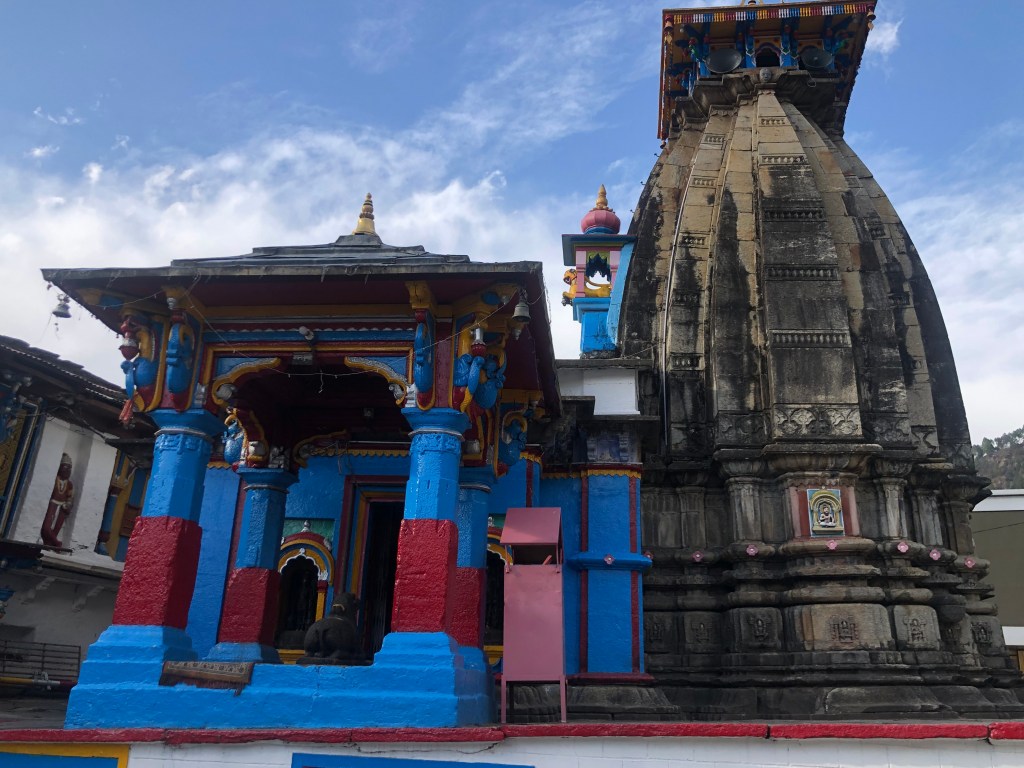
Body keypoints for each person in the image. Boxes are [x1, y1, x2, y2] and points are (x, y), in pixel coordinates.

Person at [40, 453, 74, 547]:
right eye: (65, 467)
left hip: (63, 507)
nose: (67, 470)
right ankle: (57, 543)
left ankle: (48, 544)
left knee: (57, 527)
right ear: (59, 468)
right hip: (53, 504)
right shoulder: (55, 479)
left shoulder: (69, 484)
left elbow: (70, 496)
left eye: (69, 468)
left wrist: (68, 504)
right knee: (46, 527)